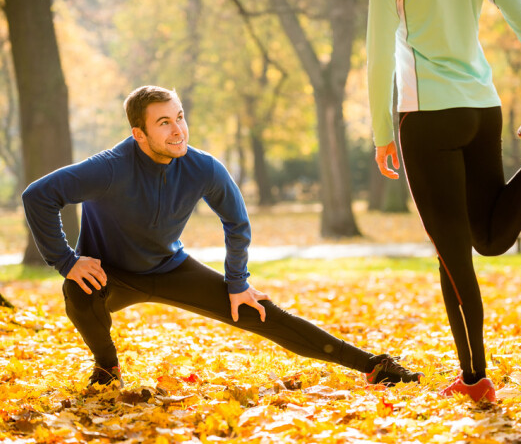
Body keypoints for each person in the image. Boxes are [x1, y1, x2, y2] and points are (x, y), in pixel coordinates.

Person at [22, 85, 422, 388]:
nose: (178, 130)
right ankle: (107, 367)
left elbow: (237, 223)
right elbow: (39, 196)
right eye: (164, 122)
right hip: (112, 275)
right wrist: (67, 260)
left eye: (179, 117)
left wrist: (237, 283)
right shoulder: (108, 168)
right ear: (138, 134)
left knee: (261, 312)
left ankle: (373, 365)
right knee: (78, 291)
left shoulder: (203, 167)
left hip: (171, 267)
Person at [366, 0, 521, 403]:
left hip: (427, 115)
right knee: (489, 238)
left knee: (452, 256)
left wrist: (381, 131)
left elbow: (379, 51)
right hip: (482, 108)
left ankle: (475, 379)